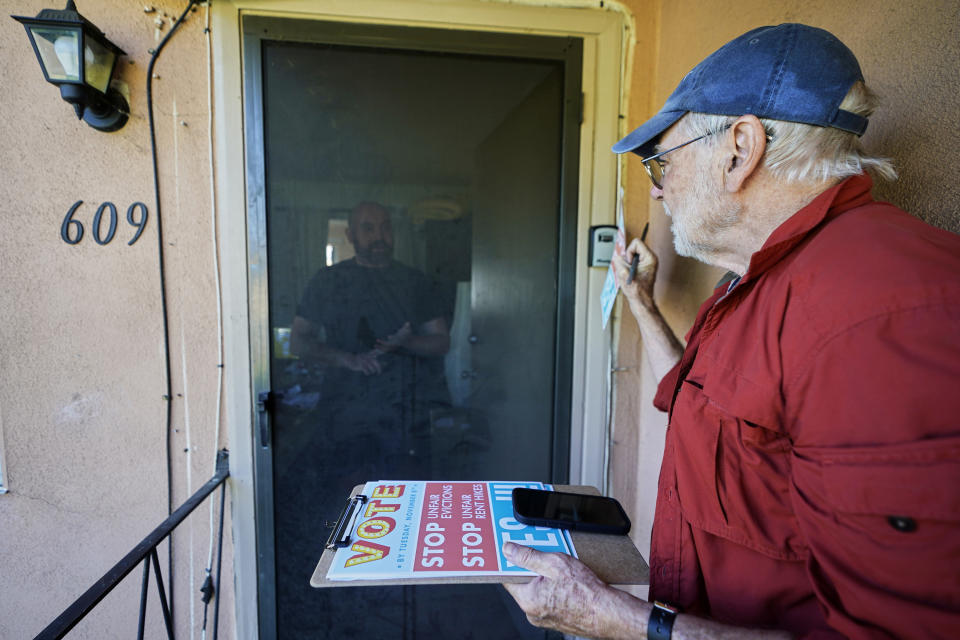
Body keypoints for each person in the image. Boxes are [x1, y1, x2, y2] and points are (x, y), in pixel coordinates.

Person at [502, 23, 960, 639]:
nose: (658, 188)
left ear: (739, 149)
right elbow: (698, 402)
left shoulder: (877, 313)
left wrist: (616, 619)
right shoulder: (752, 276)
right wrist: (640, 303)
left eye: (661, 159)